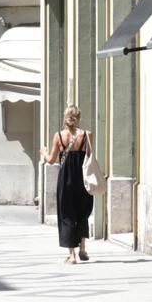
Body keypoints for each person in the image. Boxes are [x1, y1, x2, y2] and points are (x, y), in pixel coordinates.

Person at [41, 105, 94, 264]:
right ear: (79, 118)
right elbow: (90, 157)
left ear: (65, 118)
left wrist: (43, 152)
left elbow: (51, 160)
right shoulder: (87, 135)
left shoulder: (58, 136)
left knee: (67, 216)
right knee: (83, 213)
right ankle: (83, 248)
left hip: (66, 180)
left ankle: (72, 255)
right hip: (83, 180)